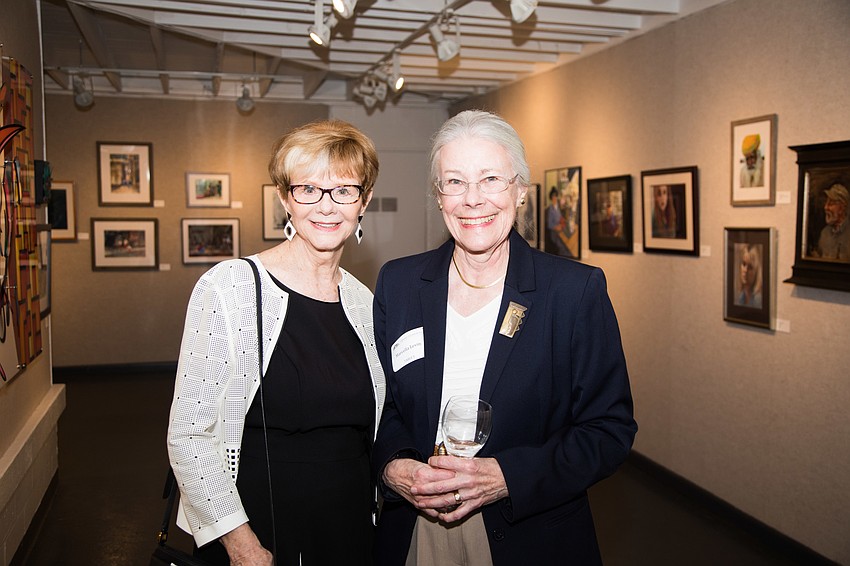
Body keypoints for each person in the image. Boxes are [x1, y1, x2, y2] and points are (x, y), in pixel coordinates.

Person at [371, 110, 637, 566]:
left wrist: (506, 476)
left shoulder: (573, 291)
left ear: (521, 192)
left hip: (529, 533)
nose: (473, 199)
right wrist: (395, 467)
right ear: (439, 197)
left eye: (491, 178)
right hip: (419, 528)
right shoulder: (399, 284)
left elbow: (608, 431)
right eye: (454, 182)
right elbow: (385, 406)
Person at [167, 120, 386, 566]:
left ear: (364, 202)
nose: (327, 206)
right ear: (286, 198)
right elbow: (189, 434)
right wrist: (241, 544)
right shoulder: (230, 288)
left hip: (350, 525)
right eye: (308, 189)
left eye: (345, 190)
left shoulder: (365, 302)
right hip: (259, 525)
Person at [815, 182, 850, 262]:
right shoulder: (824, 233)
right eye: (826, 203)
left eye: (831, 203)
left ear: (842, 208)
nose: (825, 207)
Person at [735, 243, 763, 308]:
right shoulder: (741, 297)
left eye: (750, 267)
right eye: (744, 264)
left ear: (756, 271)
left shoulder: (758, 300)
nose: (745, 270)